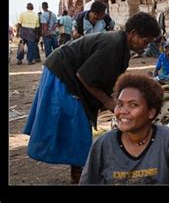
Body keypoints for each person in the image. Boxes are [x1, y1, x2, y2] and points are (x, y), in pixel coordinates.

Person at [23, 12, 160, 184]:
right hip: (62, 73)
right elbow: (84, 76)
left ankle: (78, 173)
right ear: (132, 33)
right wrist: (107, 101)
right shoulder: (113, 44)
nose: (145, 46)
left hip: (69, 73)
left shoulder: (123, 49)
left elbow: (110, 79)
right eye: (145, 41)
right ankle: (80, 175)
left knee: (78, 128)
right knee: (76, 127)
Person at [79, 73, 169, 184]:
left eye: (133, 105)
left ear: (151, 112)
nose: (123, 111)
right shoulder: (104, 145)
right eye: (120, 104)